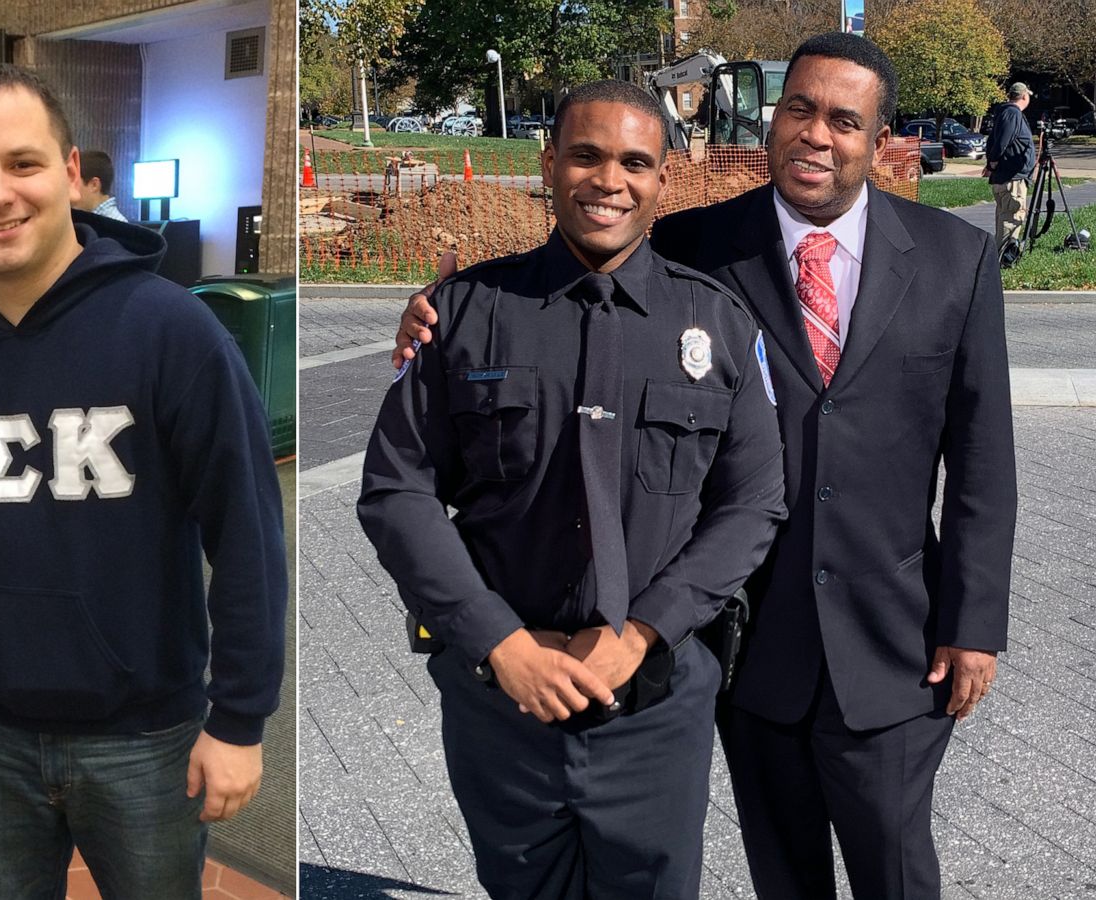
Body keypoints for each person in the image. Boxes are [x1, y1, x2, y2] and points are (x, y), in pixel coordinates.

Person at [396, 34, 1016, 899]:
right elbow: (587, 289)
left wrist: (976, 619)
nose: (814, 135)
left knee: (897, 862)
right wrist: (433, 318)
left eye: (843, 120)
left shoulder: (957, 258)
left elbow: (984, 455)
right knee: (782, 866)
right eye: (798, 109)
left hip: (897, 638)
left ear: (878, 142)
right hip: (751, 637)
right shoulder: (692, 244)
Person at [357, 80, 787, 899]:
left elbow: (753, 502)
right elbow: (396, 489)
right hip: (502, 702)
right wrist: (501, 642)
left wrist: (641, 634)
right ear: (549, 163)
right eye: (586, 156)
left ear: (664, 179)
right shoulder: (465, 313)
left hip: (652, 704)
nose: (609, 180)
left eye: (634, 162)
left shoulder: (719, 326)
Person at [0, 64, 286, 899]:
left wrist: (242, 720)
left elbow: (248, 530)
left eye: (22, 164)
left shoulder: (171, 332)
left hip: (146, 735)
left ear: (72, 173)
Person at [985, 82, 1036, 253]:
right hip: (1012, 178)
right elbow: (1001, 142)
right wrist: (993, 162)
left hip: (1007, 176)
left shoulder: (1004, 113)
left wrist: (991, 164)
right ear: (1024, 96)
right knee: (1011, 217)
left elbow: (992, 140)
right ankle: (1001, 257)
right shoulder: (1012, 114)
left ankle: (1008, 253)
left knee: (1006, 216)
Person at [73, 149, 127, 221]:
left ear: (94, 185)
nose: (70, 192)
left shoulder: (114, 226)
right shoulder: (93, 221)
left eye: (75, 183)